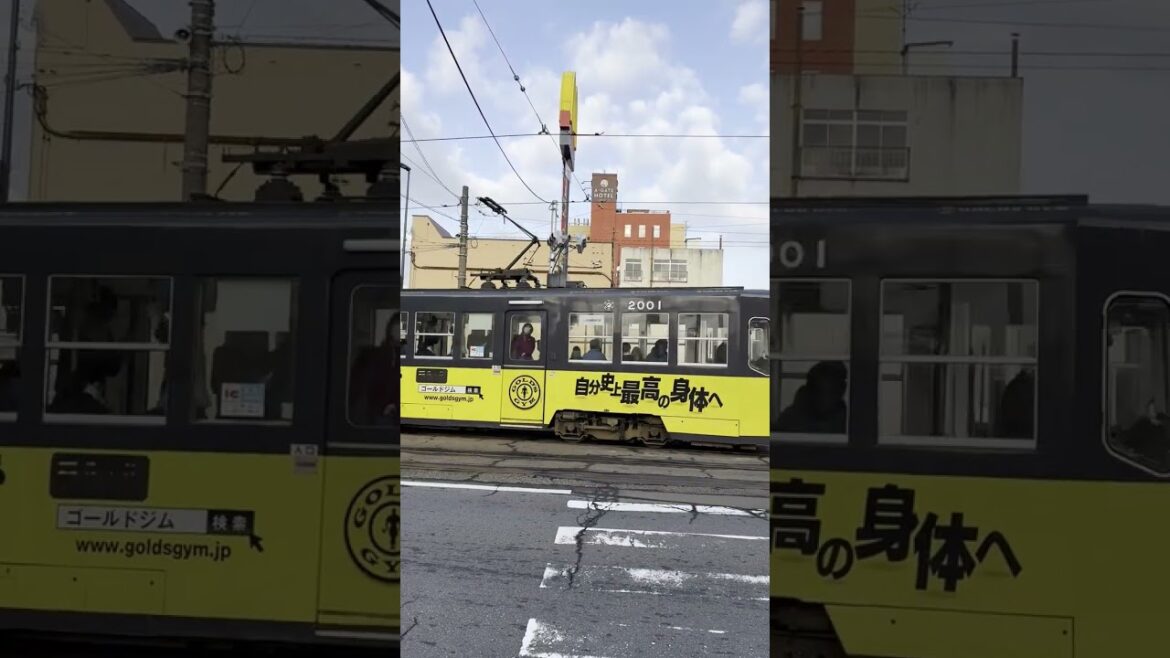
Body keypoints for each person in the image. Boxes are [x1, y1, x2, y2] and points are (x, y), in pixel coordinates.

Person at [776, 361, 847, 434]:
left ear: (842, 390)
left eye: (832, 391)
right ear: (810, 391)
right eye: (819, 390)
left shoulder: (849, 421)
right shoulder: (790, 419)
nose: (825, 398)